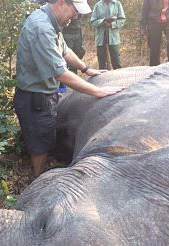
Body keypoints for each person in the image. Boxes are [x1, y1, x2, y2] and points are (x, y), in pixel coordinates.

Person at [14, 0, 124, 178]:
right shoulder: (41, 27)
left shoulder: (51, 22)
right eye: (75, 11)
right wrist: (97, 91)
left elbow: (64, 51)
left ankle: (40, 170)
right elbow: (60, 73)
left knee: (45, 136)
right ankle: (37, 180)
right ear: (61, 3)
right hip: (35, 98)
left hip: (45, 95)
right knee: (40, 143)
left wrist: (86, 68)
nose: (76, 16)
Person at [140, 0, 169, 66]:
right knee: (154, 46)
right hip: (154, 20)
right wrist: (143, 27)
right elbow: (144, 9)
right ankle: (154, 69)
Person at [90, 0, 126, 70]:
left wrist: (112, 24)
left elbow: (122, 20)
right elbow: (93, 22)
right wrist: (103, 21)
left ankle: (119, 78)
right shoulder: (97, 5)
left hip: (113, 38)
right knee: (102, 62)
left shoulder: (117, 4)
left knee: (116, 61)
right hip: (100, 38)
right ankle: (103, 79)